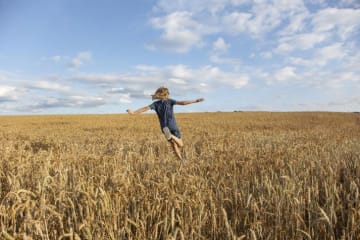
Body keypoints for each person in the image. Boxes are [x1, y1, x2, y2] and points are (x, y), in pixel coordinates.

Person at [126, 87, 204, 160]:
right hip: (173, 125)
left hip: (164, 127)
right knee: (180, 144)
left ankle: (181, 160)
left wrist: (133, 112)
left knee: (173, 145)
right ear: (166, 94)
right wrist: (195, 101)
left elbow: (144, 109)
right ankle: (173, 137)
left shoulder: (155, 104)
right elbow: (183, 103)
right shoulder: (170, 101)